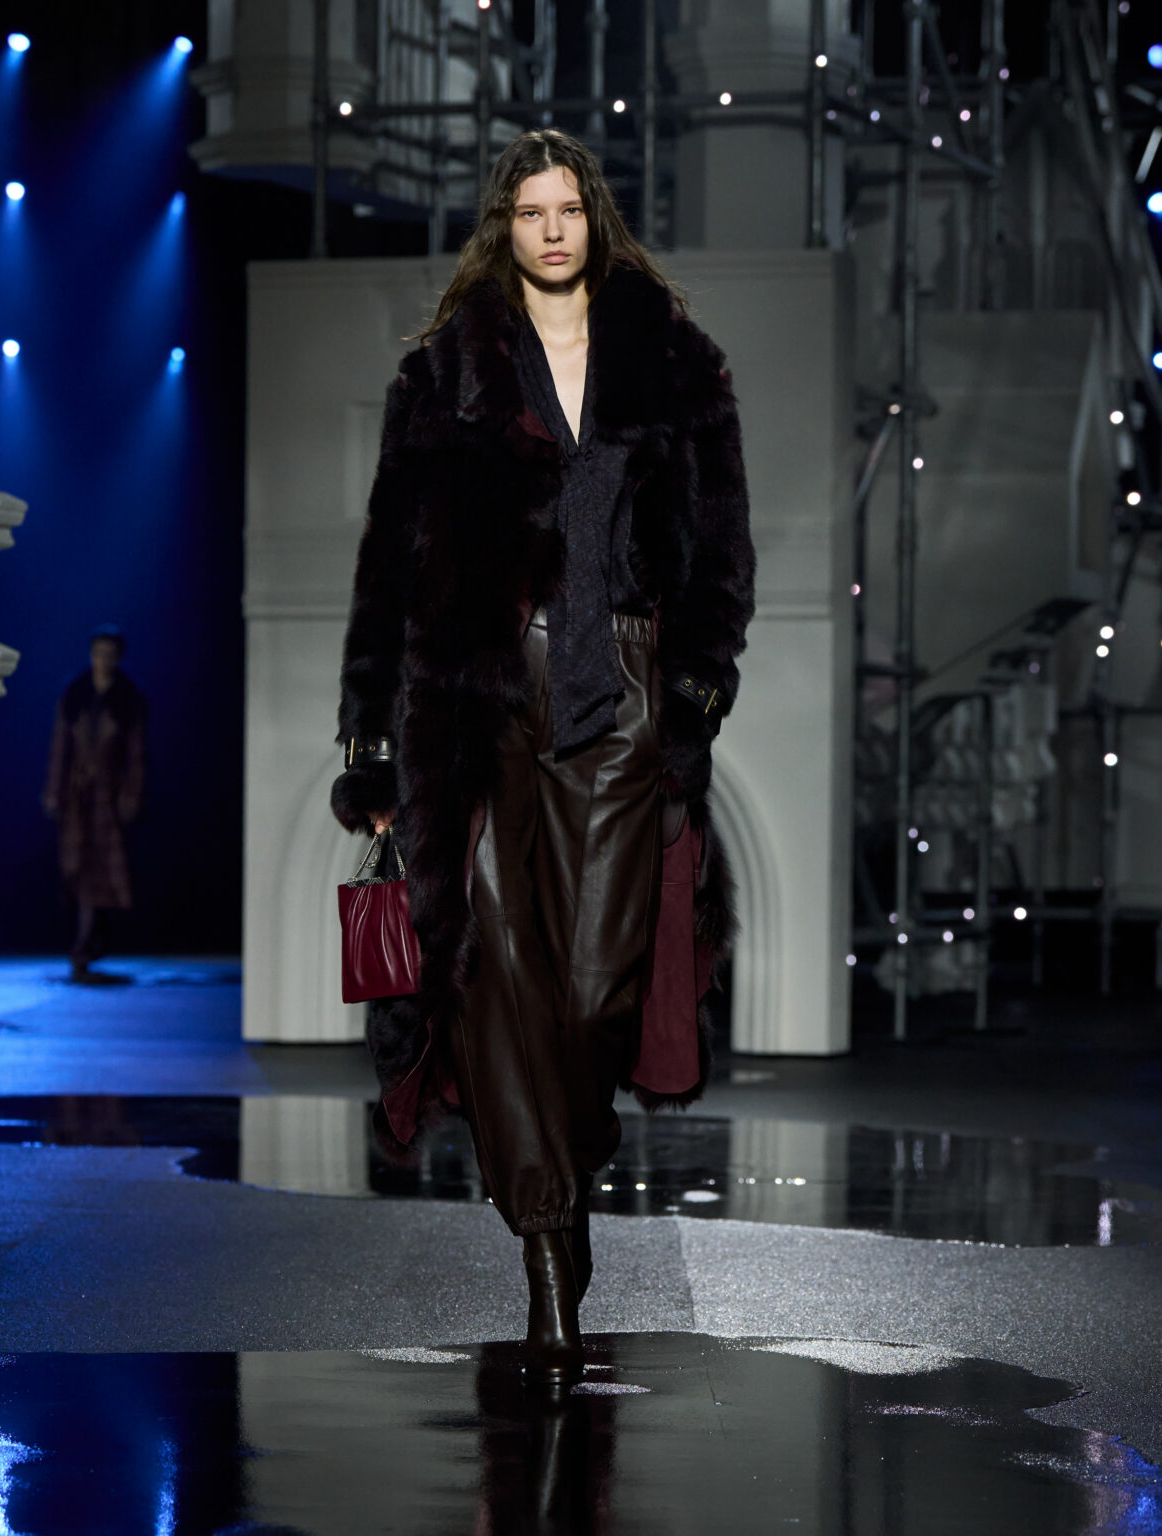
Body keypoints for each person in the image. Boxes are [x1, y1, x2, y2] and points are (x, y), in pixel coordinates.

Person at [332, 129, 755, 1387]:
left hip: (620, 694)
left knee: (591, 992)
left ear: (594, 218)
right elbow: (384, 564)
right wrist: (369, 739)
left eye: (568, 209)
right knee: (496, 978)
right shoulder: (442, 373)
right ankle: (545, 1259)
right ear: (502, 227)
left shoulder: (674, 363)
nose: (552, 230)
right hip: (478, 699)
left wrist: (692, 698)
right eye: (529, 212)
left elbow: (721, 552)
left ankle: (563, 1177)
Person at [43, 625, 147, 980]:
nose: (103, 660)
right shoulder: (75, 695)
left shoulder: (128, 698)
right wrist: (54, 791)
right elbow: (60, 745)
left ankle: (87, 943)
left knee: (103, 870)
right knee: (77, 867)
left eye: (109, 654)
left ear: (117, 657)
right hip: (77, 795)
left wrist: (131, 795)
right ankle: (86, 942)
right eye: (98, 653)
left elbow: (136, 754)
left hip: (108, 795)